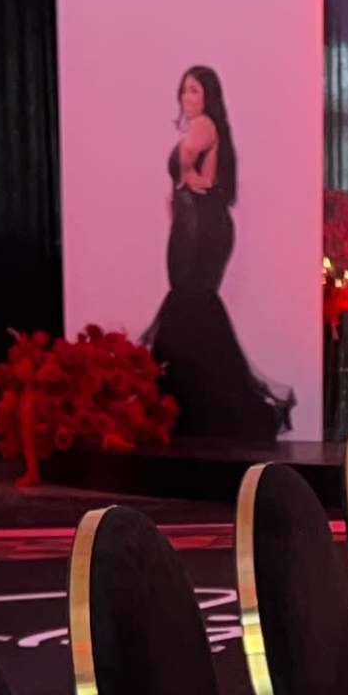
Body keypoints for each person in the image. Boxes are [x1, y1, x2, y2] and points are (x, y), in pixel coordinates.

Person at [141, 63, 291, 443]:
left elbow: (193, 169)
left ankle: (200, 407)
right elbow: (191, 180)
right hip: (195, 225)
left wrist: (187, 181)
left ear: (208, 96)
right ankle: (204, 405)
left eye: (194, 90)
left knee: (189, 300)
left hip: (200, 228)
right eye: (183, 90)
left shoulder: (203, 125)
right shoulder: (208, 127)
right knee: (191, 303)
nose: (186, 98)